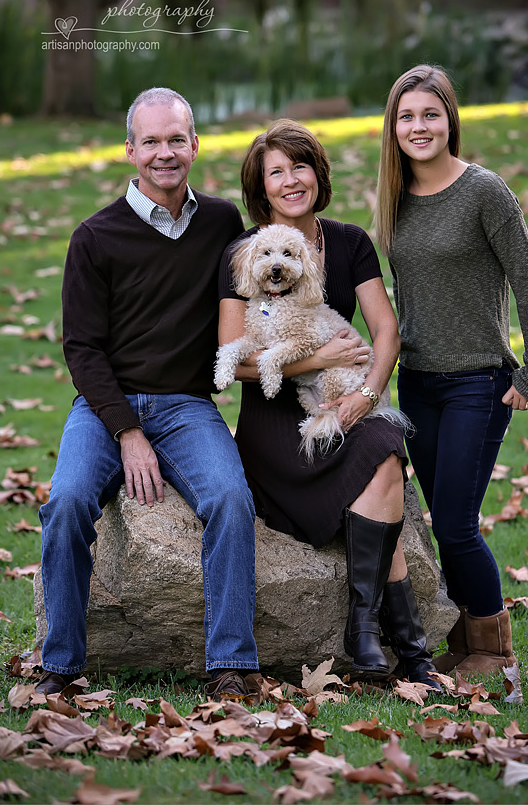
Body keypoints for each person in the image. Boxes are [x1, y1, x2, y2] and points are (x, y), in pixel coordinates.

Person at [36, 87, 260, 701]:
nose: (165, 153)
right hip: (107, 407)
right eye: (152, 142)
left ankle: (231, 664)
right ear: (130, 149)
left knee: (230, 501)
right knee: (68, 503)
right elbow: (81, 349)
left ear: (195, 144)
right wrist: (126, 433)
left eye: (176, 140)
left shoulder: (220, 223)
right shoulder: (94, 237)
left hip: (188, 407)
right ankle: (60, 665)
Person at [218, 118, 440, 689]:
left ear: (318, 173)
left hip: (344, 398)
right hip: (272, 425)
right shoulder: (246, 254)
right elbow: (233, 360)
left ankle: (365, 631)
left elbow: (385, 332)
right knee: (380, 468)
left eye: (301, 166)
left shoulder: (348, 243)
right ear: (260, 187)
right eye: (276, 172)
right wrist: (313, 361)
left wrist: (366, 394)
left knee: (385, 446)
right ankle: (408, 648)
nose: (291, 180)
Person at [376, 65, 528, 676]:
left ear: (450, 118)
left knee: (454, 525)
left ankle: (493, 655)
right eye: (407, 116)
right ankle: (464, 644)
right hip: (418, 382)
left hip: (478, 382)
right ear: (393, 128)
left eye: (430, 114)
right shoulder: (394, 198)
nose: (419, 126)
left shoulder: (485, 191)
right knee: (441, 516)